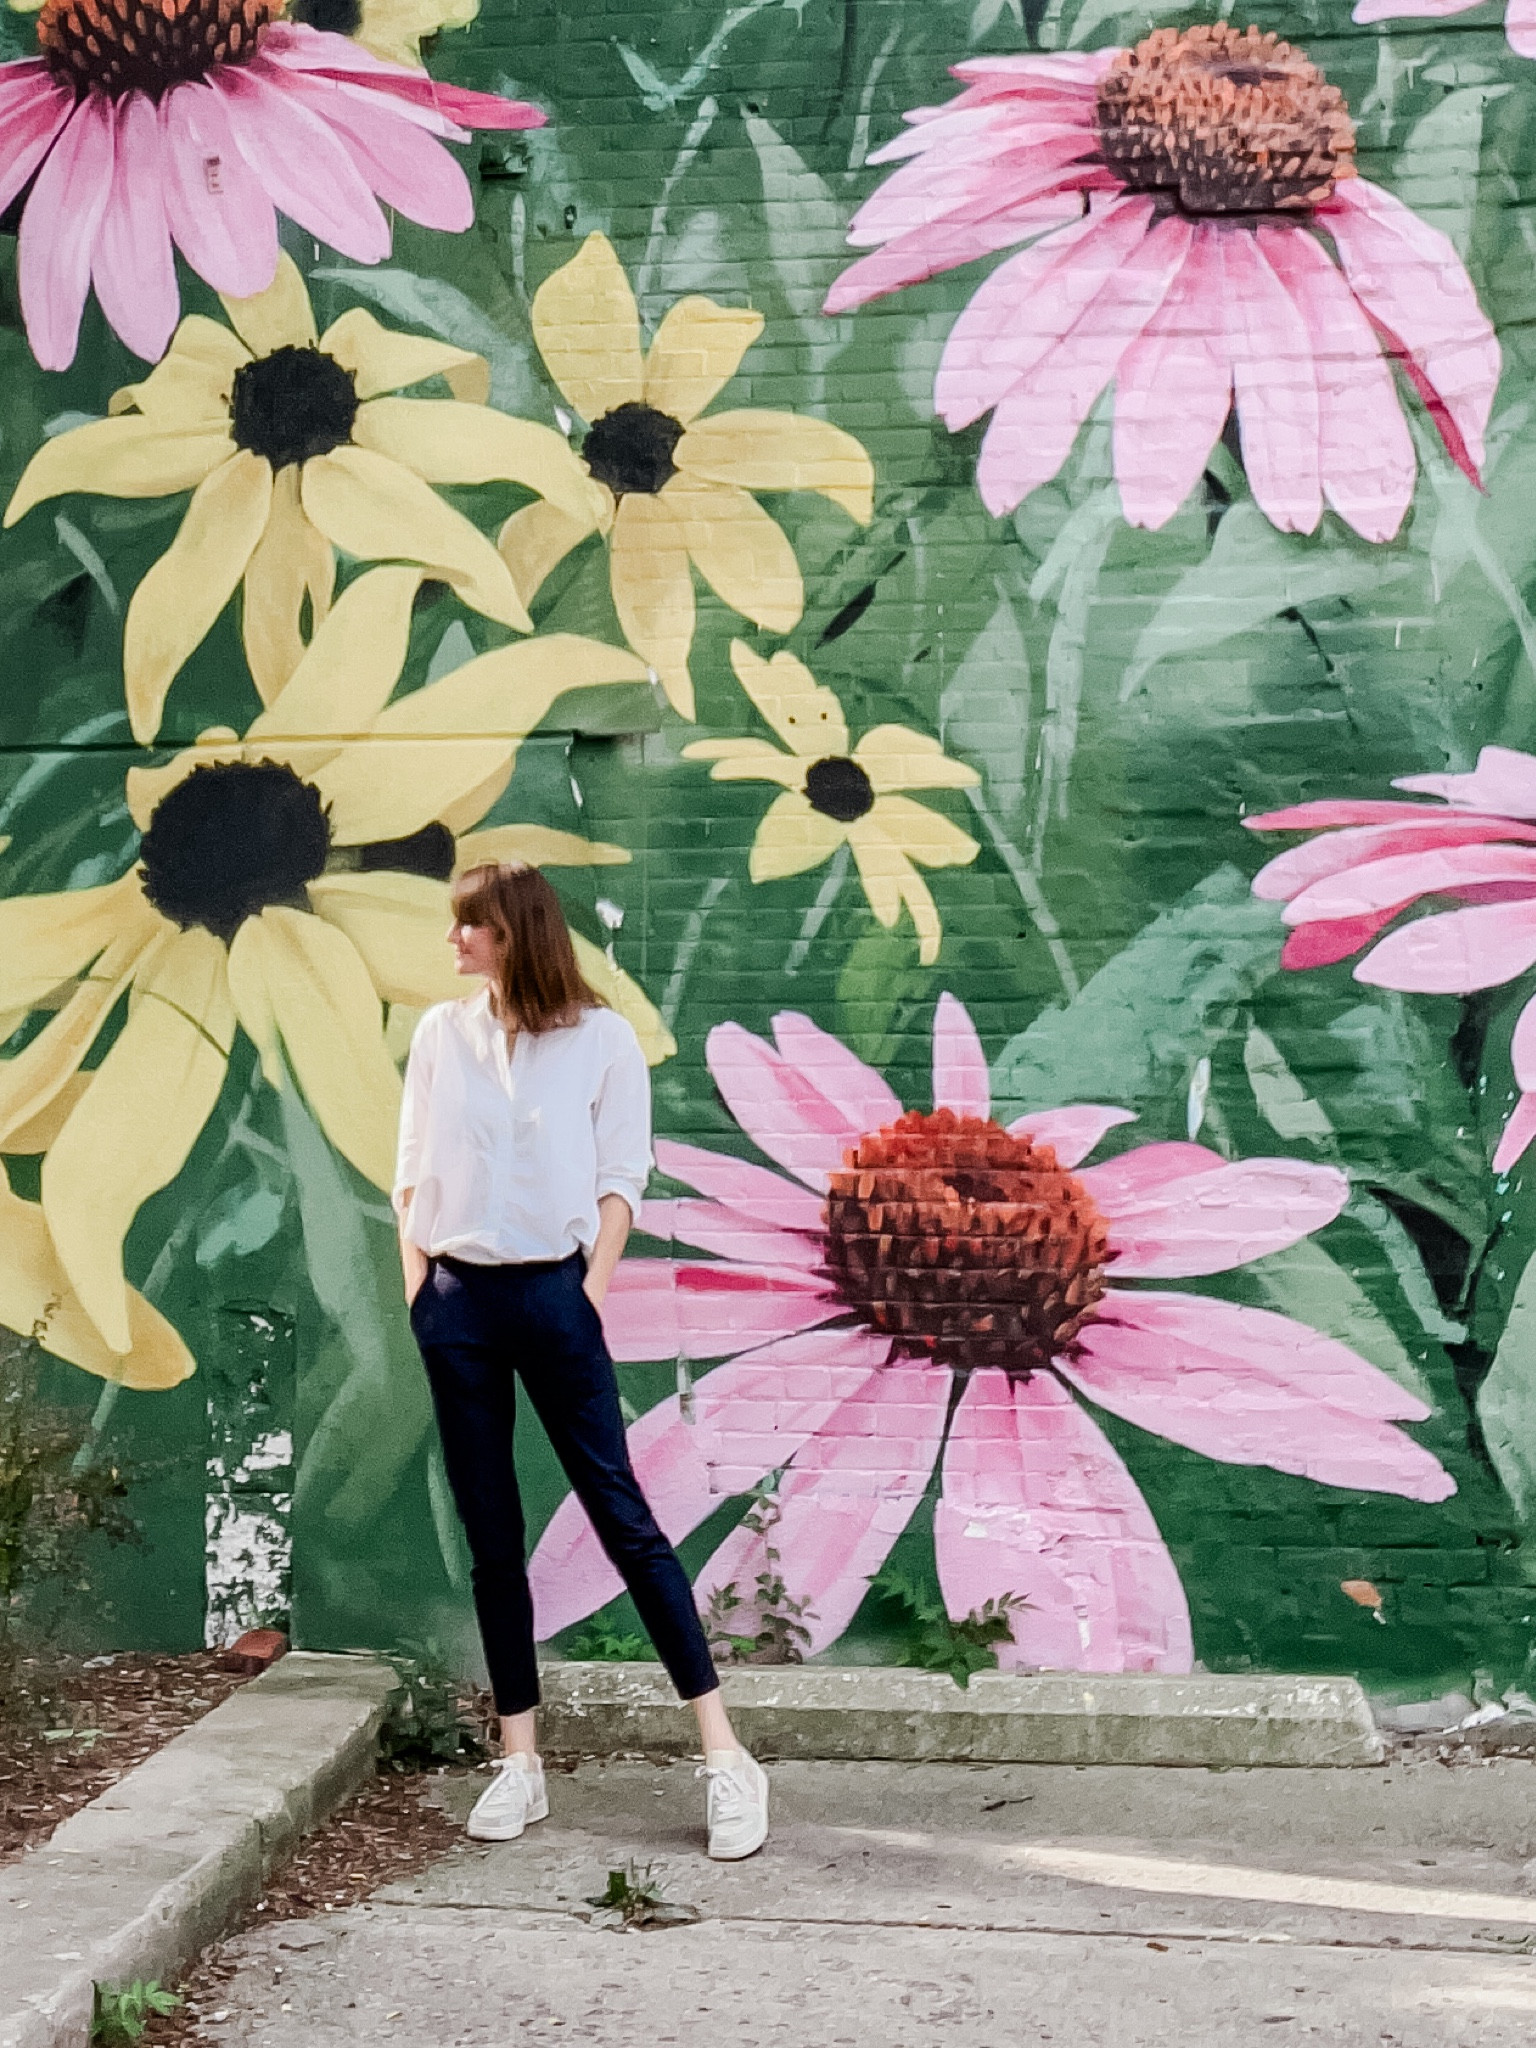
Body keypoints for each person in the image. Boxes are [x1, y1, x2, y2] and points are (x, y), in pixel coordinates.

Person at [394, 860, 769, 1859]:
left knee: (624, 1518)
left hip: (557, 1294)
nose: (455, 941)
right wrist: (419, 1290)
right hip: (458, 1301)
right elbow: (409, 1171)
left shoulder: (603, 1040)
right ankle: (519, 1762)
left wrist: (588, 1292)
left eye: (469, 926)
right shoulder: (442, 1034)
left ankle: (727, 1756)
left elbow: (620, 1178)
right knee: (492, 1536)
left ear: (515, 932)